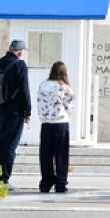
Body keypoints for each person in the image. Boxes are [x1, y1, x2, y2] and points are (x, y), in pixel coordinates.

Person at [0, 39, 31, 187]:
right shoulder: (20, 65)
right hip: (15, 112)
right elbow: (24, 90)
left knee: (0, 144)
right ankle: (4, 180)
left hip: (1, 111)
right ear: (20, 52)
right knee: (10, 146)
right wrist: (28, 111)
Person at [37, 61, 74, 193]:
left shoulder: (43, 85)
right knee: (61, 154)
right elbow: (69, 106)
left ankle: (46, 182)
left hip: (46, 122)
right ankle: (61, 182)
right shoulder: (64, 87)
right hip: (60, 122)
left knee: (46, 154)